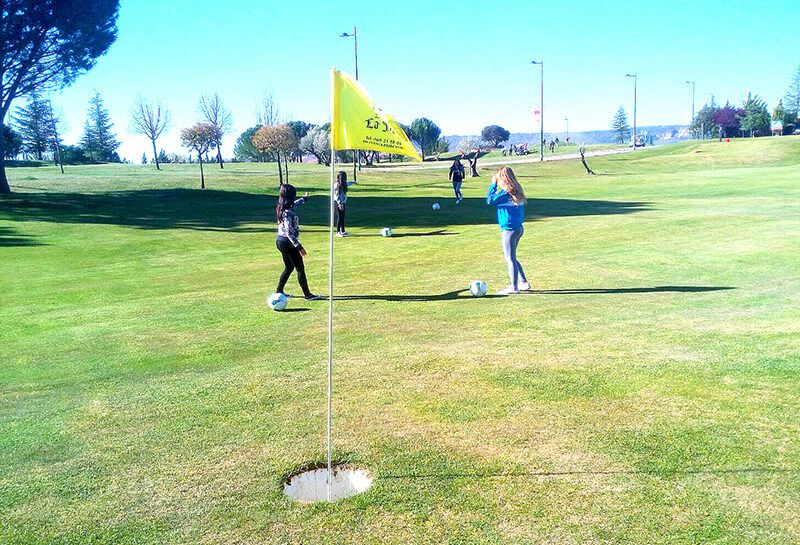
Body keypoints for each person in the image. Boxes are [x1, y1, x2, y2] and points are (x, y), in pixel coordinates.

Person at [486, 166, 530, 294]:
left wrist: (493, 185)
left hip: (509, 229)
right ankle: (524, 282)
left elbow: (490, 200)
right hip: (518, 228)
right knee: (512, 257)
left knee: (509, 258)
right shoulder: (516, 190)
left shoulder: (506, 193)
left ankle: (514, 287)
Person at [275, 183, 320, 300]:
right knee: (300, 267)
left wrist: (304, 199)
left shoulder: (282, 206)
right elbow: (289, 233)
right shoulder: (288, 213)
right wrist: (299, 247)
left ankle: (279, 291)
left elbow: (294, 204)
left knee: (289, 267)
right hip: (288, 243)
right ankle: (308, 295)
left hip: (280, 240)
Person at [334, 170, 354, 237]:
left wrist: (353, 182)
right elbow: (336, 195)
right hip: (338, 203)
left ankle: (343, 231)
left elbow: (348, 183)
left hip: (342, 202)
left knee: (343, 217)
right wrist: (339, 203)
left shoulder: (343, 183)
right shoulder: (337, 185)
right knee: (340, 217)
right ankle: (338, 232)